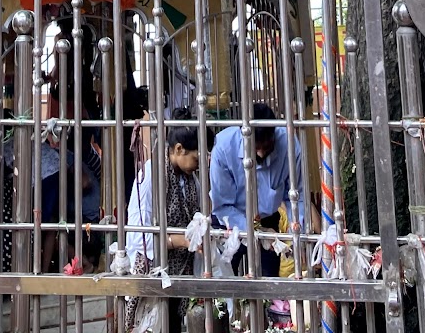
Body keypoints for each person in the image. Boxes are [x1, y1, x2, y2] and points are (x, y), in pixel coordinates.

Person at [208, 102, 304, 284]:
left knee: (269, 285)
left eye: (266, 147)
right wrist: (256, 231)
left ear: (274, 135)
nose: (260, 154)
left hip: (268, 221)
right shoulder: (223, 148)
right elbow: (222, 206)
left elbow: (297, 197)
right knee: (225, 288)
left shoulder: (289, 144)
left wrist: (298, 234)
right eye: (255, 148)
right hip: (229, 223)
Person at [126, 125, 202, 333]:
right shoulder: (151, 174)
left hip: (179, 275)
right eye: (196, 159)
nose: (198, 166)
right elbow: (138, 235)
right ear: (178, 149)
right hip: (152, 273)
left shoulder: (191, 180)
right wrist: (179, 241)